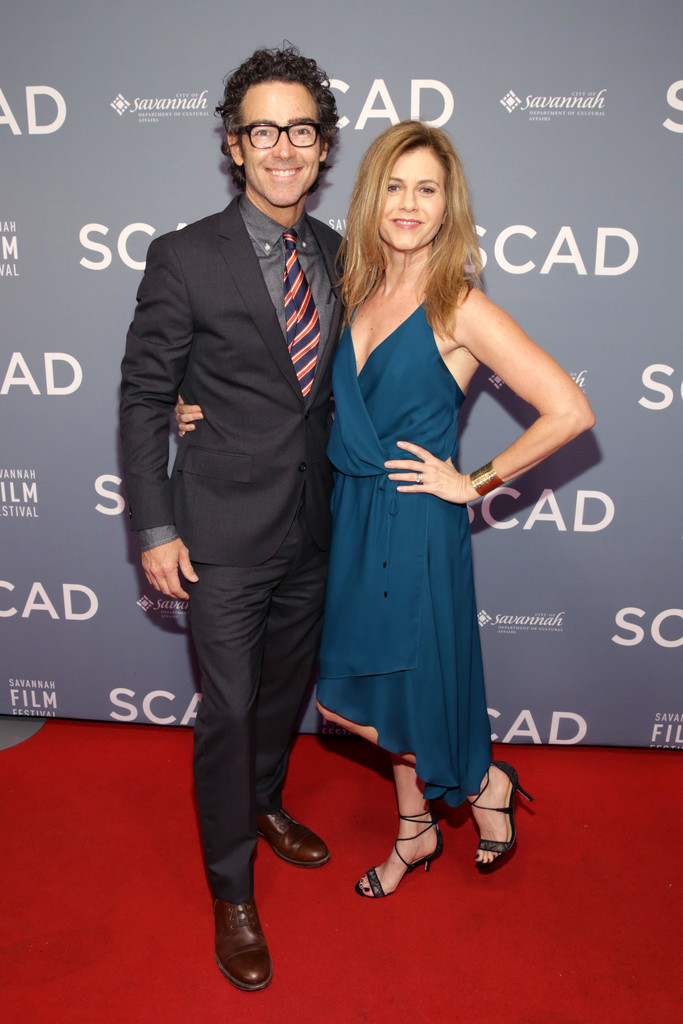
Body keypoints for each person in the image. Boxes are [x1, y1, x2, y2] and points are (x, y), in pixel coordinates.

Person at [175, 122, 595, 901]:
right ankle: (419, 824)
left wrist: (474, 482)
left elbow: (569, 411)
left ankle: (479, 781)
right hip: (350, 514)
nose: (408, 203)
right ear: (371, 197)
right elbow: (280, 375)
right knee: (362, 694)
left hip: (413, 522)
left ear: (447, 205)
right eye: (394, 186)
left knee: (385, 695)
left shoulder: (459, 305)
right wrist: (196, 402)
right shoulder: (353, 289)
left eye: (426, 189)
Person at [120, 46, 342, 990]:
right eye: (263, 130)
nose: (282, 147)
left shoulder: (341, 253)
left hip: (315, 523)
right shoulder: (183, 256)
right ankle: (231, 889)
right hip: (217, 531)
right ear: (233, 143)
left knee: (284, 694)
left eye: (301, 129)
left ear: (323, 146)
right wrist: (155, 527)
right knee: (231, 707)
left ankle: (263, 801)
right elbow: (145, 395)